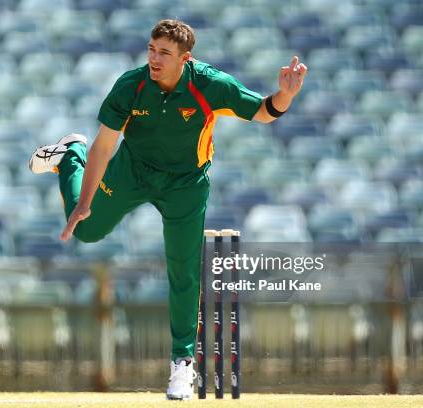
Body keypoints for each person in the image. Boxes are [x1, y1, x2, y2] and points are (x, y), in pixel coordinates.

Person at [29, 19, 307, 400]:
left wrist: (285, 96)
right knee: (87, 231)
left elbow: (261, 111)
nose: (154, 59)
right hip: (134, 170)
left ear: (185, 59)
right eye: (151, 49)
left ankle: (182, 364)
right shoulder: (131, 85)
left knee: (183, 269)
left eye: (164, 53)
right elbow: (105, 146)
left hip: (186, 184)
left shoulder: (209, 84)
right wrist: (84, 204)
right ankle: (69, 155)